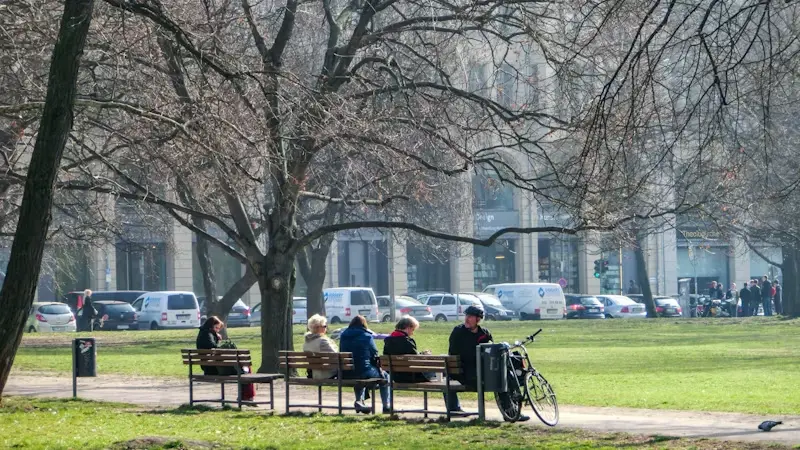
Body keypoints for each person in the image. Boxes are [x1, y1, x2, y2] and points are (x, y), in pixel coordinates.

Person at [446, 305, 530, 421]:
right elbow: (454, 352)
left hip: (483, 371)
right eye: (466, 316)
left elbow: (493, 353)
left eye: (470, 317)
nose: (467, 319)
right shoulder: (458, 332)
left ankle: (512, 411)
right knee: (500, 379)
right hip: (466, 374)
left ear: (478, 319)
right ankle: (511, 412)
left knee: (504, 375)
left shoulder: (484, 333)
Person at [339, 315, 391, 414]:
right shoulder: (367, 336)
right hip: (364, 371)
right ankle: (386, 405)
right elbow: (374, 353)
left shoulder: (343, 335)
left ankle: (359, 401)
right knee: (385, 377)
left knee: (358, 373)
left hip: (347, 372)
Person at [197, 316, 256, 401]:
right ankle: (247, 396)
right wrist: (217, 338)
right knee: (245, 368)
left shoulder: (203, 333)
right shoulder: (208, 334)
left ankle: (245, 396)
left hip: (209, 367)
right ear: (210, 326)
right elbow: (214, 348)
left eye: (218, 328)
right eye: (216, 328)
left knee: (243, 367)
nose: (217, 330)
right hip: (214, 369)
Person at [383, 316, 435, 382]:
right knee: (440, 372)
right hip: (412, 377)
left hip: (396, 377)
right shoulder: (408, 341)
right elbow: (416, 360)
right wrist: (425, 355)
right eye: (413, 330)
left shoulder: (388, 341)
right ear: (408, 328)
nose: (412, 333)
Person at [303, 314, 338, 380]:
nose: (326, 328)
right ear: (318, 327)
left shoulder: (306, 342)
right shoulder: (322, 341)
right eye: (324, 326)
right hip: (326, 374)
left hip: (313, 374)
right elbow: (336, 355)